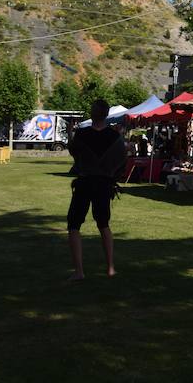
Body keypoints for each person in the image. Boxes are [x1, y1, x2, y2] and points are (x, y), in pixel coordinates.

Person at [67, 99, 127, 281]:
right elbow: (121, 162)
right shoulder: (114, 137)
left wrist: (70, 133)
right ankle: (110, 268)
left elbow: (74, 152)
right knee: (103, 224)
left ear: (93, 114)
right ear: (107, 115)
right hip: (103, 185)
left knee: (74, 225)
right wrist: (110, 177)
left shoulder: (82, 134)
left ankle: (79, 271)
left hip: (85, 183)